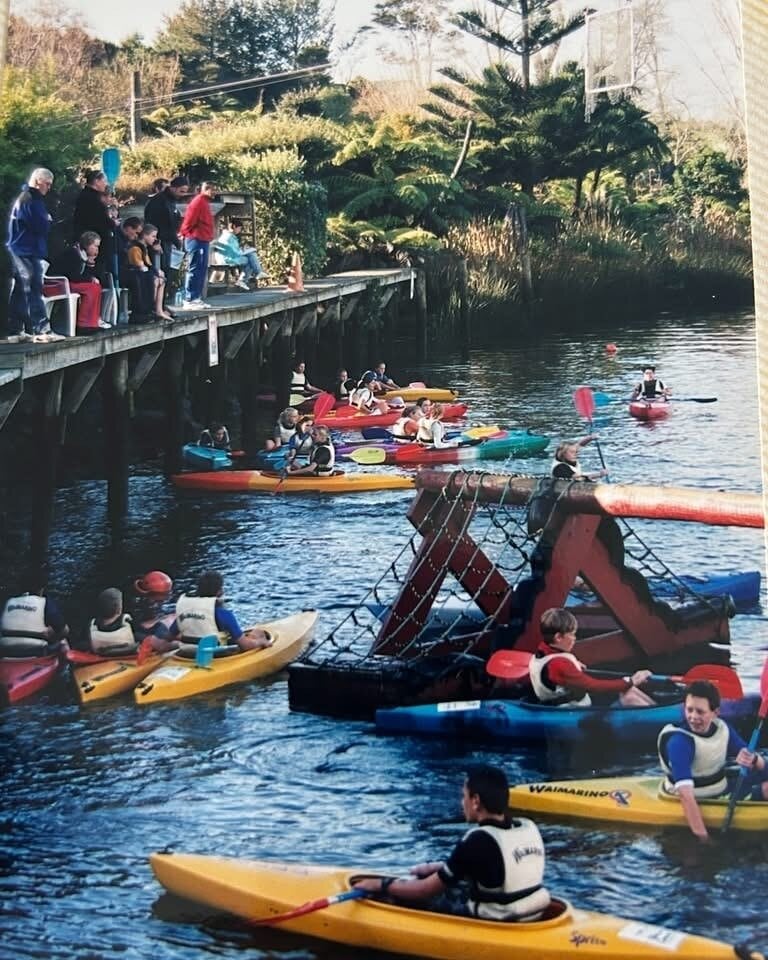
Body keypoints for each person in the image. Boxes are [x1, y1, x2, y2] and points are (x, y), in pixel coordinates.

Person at [354, 764, 551, 922]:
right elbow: (499, 865)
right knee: (455, 887)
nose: (461, 803)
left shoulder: (477, 840)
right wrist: (437, 867)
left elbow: (423, 891)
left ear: (475, 801)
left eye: (463, 796)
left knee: (404, 897)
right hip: (535, 913)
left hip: (502, 921)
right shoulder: (527, 826)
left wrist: (382, 884)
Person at [657, 679, 768, 842]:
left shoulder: (722, 728)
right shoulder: (680, 743)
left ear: (715, 712)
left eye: (700, 712)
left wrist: (753, 759)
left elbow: (753, 760)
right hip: (702, 796)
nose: (693, 717)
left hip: (720, 784)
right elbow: (686, 797)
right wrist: (704, 838)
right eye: (689, 710)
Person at [529, 607, 654, 707]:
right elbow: (593, 686)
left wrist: (575, 664)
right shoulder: (559, 664)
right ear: (558, 637)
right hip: (572, 710)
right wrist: (631, 681)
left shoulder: (543, 650)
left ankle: (658, 709)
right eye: (572, 634)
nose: (575, 638)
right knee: (630, 697)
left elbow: (555, 669)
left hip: (564, 703)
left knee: (628, 691)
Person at [6, 167, 65, 342]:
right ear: (38, 181)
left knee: (20, 290)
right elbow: (41, 225)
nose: (48, 187)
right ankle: (42, 330)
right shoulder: (31, 199)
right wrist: (47, 219)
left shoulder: (27, 199)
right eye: (47, 184)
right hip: (26, 250)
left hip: (22, 248)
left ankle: (15, 329)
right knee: (33, 287)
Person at [170, 571, 273, 651]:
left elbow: (170, 635)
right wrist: (260, 642)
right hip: (216, 654)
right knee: (258, 633)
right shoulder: (224, 615)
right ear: (219, 591)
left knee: (253, 633)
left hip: (188, 653)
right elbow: (245, 645)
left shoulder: (185, 610)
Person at [48, 230, 109, 333]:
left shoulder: (83, 256)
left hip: (67, 283)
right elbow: (74, 276)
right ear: (87, 245)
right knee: (92, 288)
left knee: (96, 287)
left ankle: (93, 322)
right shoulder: (72, 254)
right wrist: (90, 279)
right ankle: (83, 324)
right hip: (57, 284)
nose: (97, 250)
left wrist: (90, 265)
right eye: (95, 246)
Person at [73, 170, 118, 285]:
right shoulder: (92, 198)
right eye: (104, 181)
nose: (105, 184)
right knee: (97, 271)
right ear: (96, 181)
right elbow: (100, 220)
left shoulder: (87, 196)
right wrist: (113, 223)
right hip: (93, 240)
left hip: (95, 238)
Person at [0, 585, 69, 655]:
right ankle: (65, 665)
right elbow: (64, 631)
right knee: (63, 642)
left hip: (6, 650)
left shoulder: (9, 601)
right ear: (41, 589)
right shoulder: (45, 601)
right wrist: (51, 635)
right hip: (36, 651)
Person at [179, 181, 217, 309]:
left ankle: (196, 297)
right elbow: (189, 220)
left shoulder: (205, 203)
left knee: (201, 269)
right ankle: (189, 298)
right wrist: (185, 233)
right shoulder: (198, 202)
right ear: (206, 189)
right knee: (194, 268)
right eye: (213, 189)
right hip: (196, 239)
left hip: (203, 239)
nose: (215, 192)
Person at [144, 175, 189, 280]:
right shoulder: (159, 201)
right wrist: (155, 242)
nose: (183, 195)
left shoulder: (171, 201)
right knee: (159, 274)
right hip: (159, 242)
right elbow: (152, 223)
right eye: (181, 191)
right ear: (173, 187)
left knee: (167, 272)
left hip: (168, 241)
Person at [130, 570, 178, 654]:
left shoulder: (146, 602)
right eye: (164, 594)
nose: (166, 597)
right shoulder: (140, 606)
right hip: (144, 635)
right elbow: (144, 626)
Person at [216, 218, 268, 289]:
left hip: (227, 257)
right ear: (234, 227)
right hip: (228, 259)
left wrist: (243, 250)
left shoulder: (227, 235)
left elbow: (232, 249)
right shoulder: (229, 237)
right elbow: (235, 252)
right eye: (239, 228)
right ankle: (251, 276)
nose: (240, 230)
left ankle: (256, 273)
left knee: (250, 256)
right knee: (250, 258)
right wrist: (244, 252)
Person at [87, 588, 137, 655]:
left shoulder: (93, 623)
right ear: (119, 608)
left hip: (102, 655)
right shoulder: (126, 619)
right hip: (128, 654)